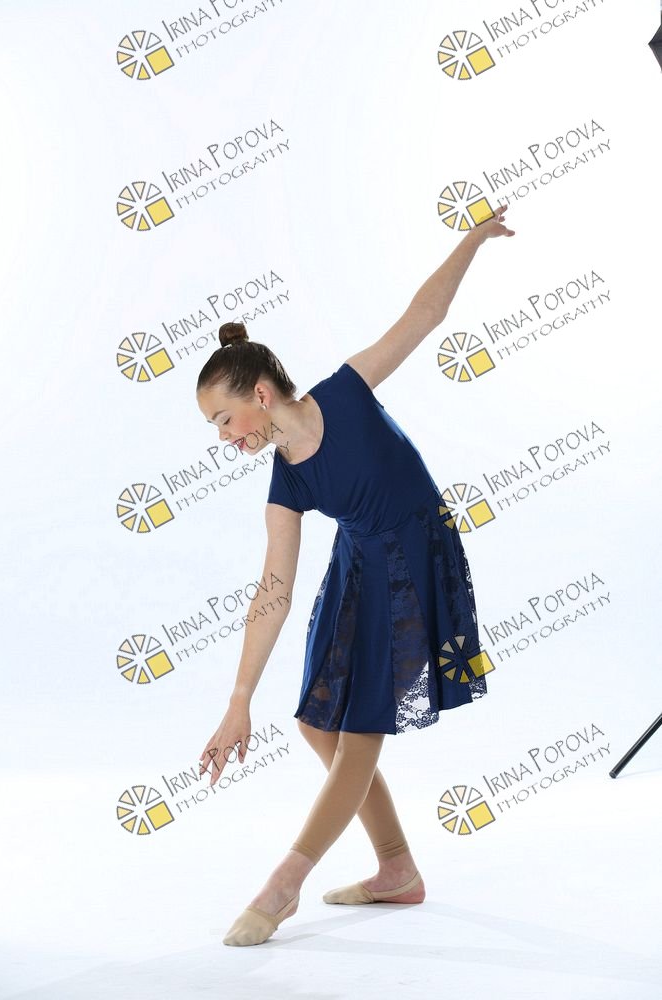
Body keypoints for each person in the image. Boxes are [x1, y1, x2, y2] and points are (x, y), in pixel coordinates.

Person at [196, 206, 515, 946]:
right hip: (360, 563)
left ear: (260, 395)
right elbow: (273, 591)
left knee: (362, 728)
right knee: (317, 721)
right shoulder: (285, 483)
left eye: (222, 420)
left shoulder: (344, 391)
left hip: (417, 556)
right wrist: (239, 699)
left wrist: (471, 239)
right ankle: (396, 868)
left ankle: (281, 887)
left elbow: (424, 315)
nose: (222, 437)